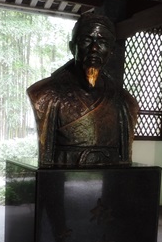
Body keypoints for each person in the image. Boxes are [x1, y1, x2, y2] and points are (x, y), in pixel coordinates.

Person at [27, 12, 139, 167]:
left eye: (102, 42)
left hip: (108, 176)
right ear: (72, 47)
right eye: (87, 40)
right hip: (64, 175)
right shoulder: (44, 93)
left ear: (111, 50)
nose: (94, 48)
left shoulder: (125, 101)